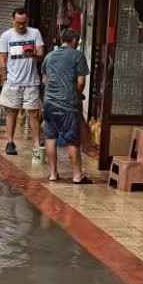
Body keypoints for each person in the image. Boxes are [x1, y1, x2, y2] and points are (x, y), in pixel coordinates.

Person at [42, 28, 90, 183]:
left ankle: (53, 174)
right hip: (67, 104)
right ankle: (77, 176)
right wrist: (76, 94)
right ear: (75, 41)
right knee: (72, 140)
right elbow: (81, 82)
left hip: (49, 103)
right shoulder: (77, 56)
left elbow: (45, 79)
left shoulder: (49, 56)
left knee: (50, 137)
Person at [0, 8, 44, 156]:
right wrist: (4, 79)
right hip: (13, 81)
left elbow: (41, 54)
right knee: (12, 112)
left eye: (24, 23)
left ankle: (37, 143)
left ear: (27, 21)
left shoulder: (35, 33)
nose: (21, 26)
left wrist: (34, 53)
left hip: (31, 81)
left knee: (34, 113)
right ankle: (10, 142)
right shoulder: (6, 36)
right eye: (18, 23)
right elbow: (2, 59)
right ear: (13, 21)